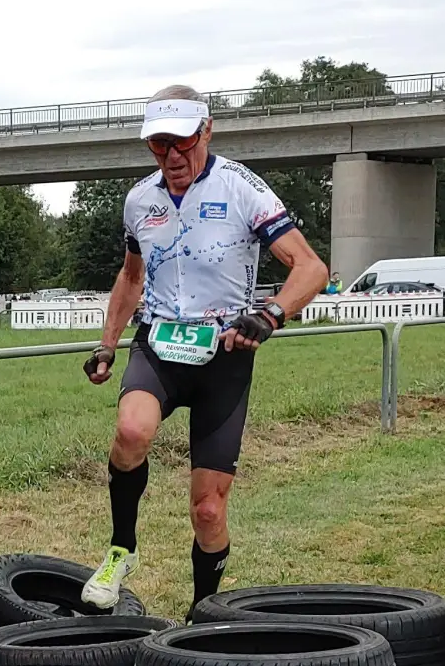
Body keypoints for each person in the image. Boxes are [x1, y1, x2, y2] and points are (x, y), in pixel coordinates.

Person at [79, 85, 329, 620]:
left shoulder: (243, 189)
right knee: (130, 432)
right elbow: (130, 277)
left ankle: (204, 613)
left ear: (207, 131)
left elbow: (311, 269)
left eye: (182, 143)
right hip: (160, 344)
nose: (171, 157)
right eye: (158, 146)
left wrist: (270, 315)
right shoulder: (140, 200)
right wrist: (107, 345)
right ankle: (121, 549)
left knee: (209, 511)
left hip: (225, 355)